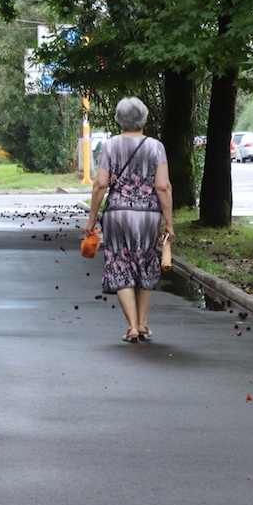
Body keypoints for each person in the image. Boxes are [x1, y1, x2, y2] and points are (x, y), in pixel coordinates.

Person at [83, 97, 174, 343]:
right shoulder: (156, 147)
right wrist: (169, 223)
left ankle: (132, 326)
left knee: (120, 263)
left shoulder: (110, 146)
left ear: (119, 119)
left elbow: (100, 185)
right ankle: (143, 323)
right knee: (145, 262)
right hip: (148, 215)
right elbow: (163, 187)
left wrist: (92, 219)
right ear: (144, 118)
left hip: (117, 215)